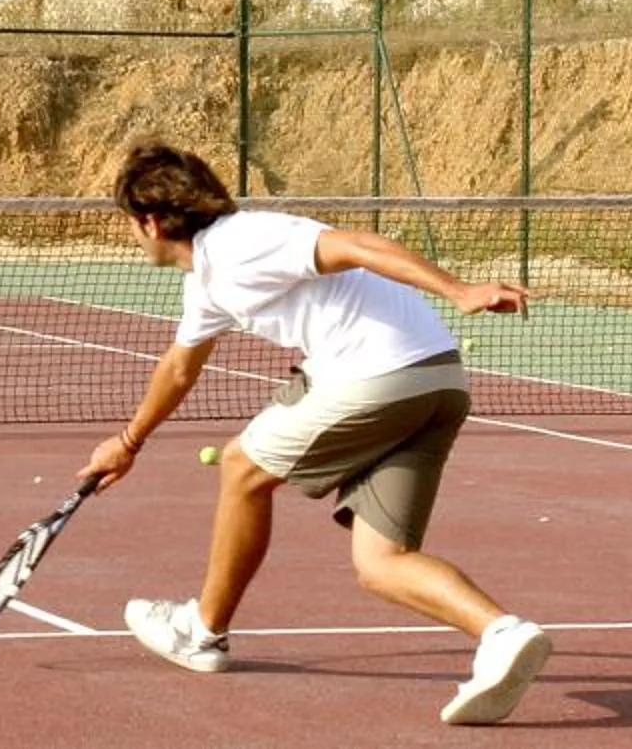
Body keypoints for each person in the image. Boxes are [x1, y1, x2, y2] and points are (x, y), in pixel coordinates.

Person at [79, 142, 549, 727]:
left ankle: (202, 631)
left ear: (149, 221)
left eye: (131, 225)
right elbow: (179, 367)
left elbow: (356, 245)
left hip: (378, 375)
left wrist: (460, 290)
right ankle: (504, 633)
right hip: (438, 382)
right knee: (381, 563)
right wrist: (126, 443)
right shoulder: (208, 279)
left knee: (241, 468)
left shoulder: (240, 241)